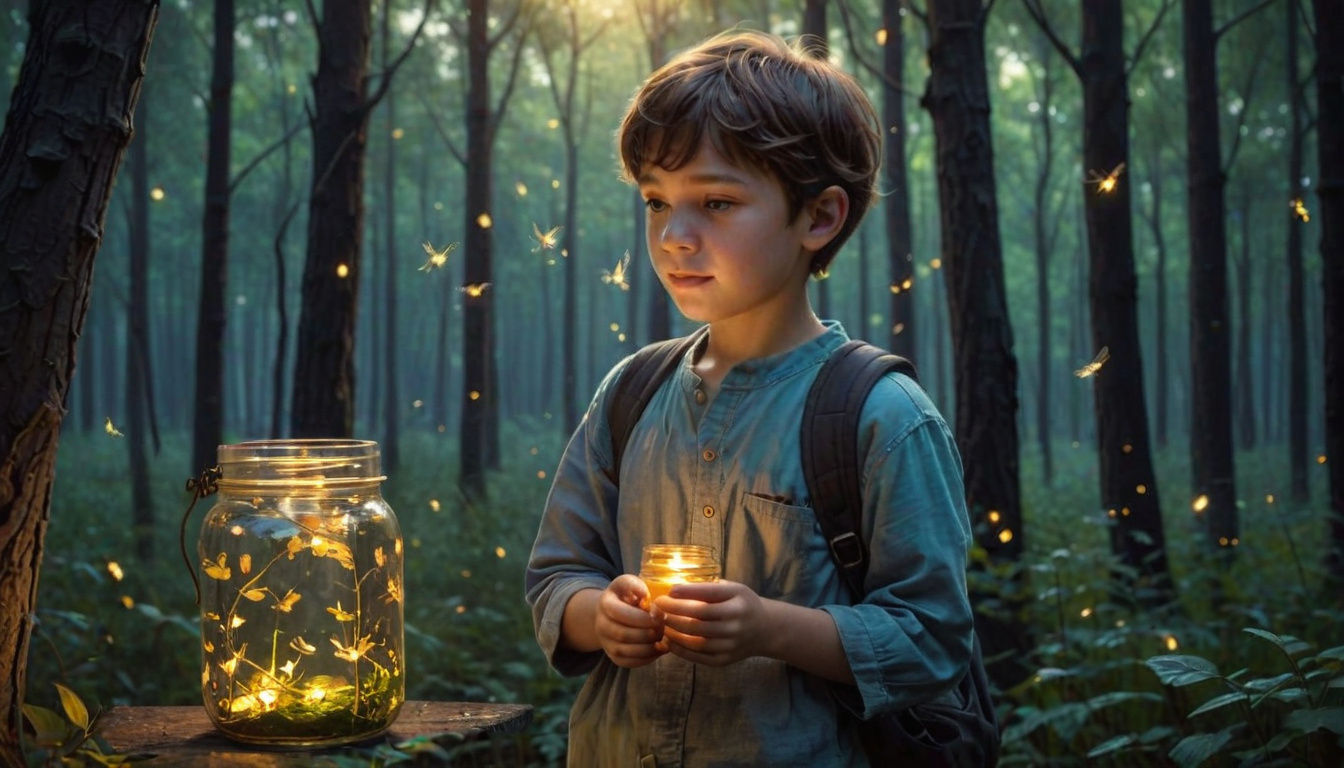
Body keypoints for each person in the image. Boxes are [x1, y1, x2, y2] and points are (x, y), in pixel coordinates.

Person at [525, 29, 973, 767]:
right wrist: (598, 616)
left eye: (717, 201)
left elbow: (933, 638)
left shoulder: (883, 417)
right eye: (656, 201)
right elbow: (555, 575)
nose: (674, 235)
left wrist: (771, 628)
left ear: (819, 217)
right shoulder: (630, 393)